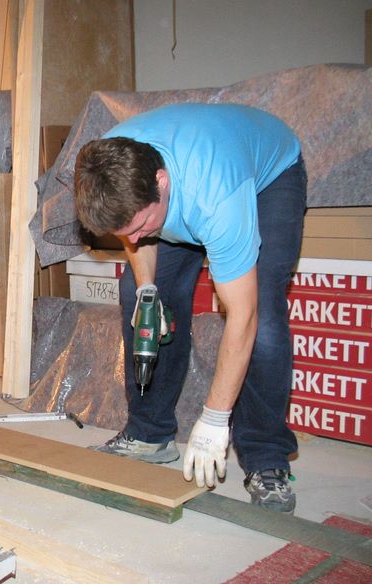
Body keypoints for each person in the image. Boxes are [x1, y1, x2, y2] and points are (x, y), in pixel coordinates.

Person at [74, 103, 306, 513]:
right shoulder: (111, 167)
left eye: (141, 226)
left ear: (161, 182)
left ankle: (266, 457)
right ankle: (150, 433)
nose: (135, 238)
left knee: (264, 319)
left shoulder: (217, 199)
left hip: (267, 177)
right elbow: (134, 234)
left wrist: (214, 418)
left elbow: (243, 315)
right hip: (188, 184)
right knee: (140, 297)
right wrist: (147, 288)